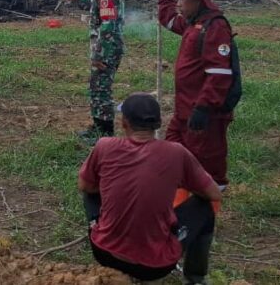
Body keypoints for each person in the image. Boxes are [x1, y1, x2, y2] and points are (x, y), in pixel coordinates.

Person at [78, 93, 222, 284]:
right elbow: (214, 193)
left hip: (104, 253)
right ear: (158, 124)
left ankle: (108, 233)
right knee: (204, 207)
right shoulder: (176, 153)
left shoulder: (104, 146)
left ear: (124, 123)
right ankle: (195, 278)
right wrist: (171, 180)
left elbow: (85, 185)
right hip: (154, 267)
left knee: (90, 191)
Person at [158, 0, 235, 187]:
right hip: (184, 110)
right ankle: (182, 197)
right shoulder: (193, 23)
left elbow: (219, 74)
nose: (179, 3)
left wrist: (203, 108)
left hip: (204, 113)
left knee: (207, 162)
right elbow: (168, 19)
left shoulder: (215, 26)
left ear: (198, 1)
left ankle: (206, 207)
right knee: (173, 148)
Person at [62, 0, 126, 141]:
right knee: (97, 87)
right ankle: (98, 126)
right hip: (109, 47)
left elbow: (108, 25)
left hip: (107, 49)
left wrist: (98, 55)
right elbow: (98, 7)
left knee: (101, 89)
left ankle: (104, 132)